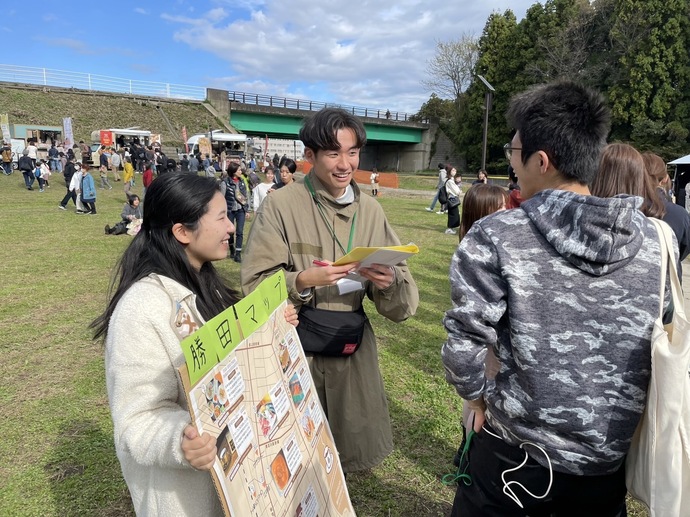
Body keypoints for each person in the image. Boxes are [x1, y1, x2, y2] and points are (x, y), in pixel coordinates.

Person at [442, 81, 670, 516]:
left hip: (511, 464)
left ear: (540, 161)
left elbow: (463, 346)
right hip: (604, 475)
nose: (512, 164)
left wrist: (476, 399)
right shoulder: (657, 243)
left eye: (513, 153)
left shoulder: (494, 236)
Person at [90, 173, 299, 516]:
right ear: (182, 231)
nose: (232, 227)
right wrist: (181, 441)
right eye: (221, 218)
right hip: (184, 499)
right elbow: (135, 420)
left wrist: (272, 331)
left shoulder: (206, 282)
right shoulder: (141, 309)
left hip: (231, 478)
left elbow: (229, 360)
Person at [241, 107, 419, 474]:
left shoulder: (370, 210)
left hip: (352, 353)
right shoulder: (281, 206)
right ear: (310, 155)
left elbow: (404, 305)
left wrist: (389, 283)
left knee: (342, 459)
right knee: (291, 461)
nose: (345, 164)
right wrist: (301, 282)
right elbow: (254, 286)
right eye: (333, 153)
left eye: (352, 152)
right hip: (296, 354)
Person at [642, 151, 690, 262]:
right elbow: (684, 247)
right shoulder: (679, 214)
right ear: (665, 179)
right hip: (666, 271)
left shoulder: (624, 206)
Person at [224, 162, 248, 263]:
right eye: (239, 170)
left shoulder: (242, 182)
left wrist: (246, 209)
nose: (241, 171)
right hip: (230, 210)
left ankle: (238, 253)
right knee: (230, 232)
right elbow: (222, 197)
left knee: (240, 231)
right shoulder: (225, 183)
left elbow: (246, 196)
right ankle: (231, 248)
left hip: (240, 210)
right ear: (233, 171)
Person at [444, 167, 462, 234]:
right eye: (453, 170)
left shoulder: (451, 180)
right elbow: (457, 191)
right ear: (449, 172)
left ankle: (452, 227)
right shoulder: (450, 181)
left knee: (455, 213)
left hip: (453, 198)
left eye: (455, 170)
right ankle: (449, 228)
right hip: (452, 199)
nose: (455, 171)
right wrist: (459, 191)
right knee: (453, 214)